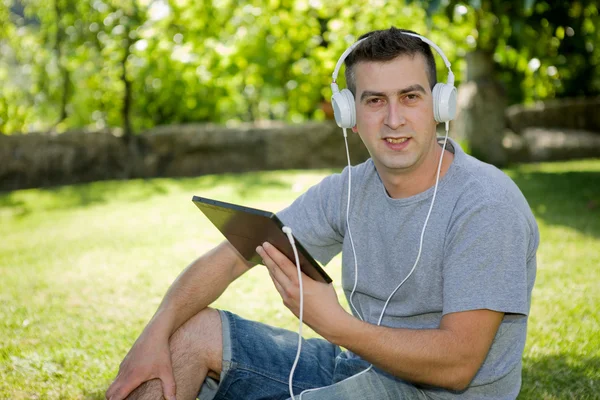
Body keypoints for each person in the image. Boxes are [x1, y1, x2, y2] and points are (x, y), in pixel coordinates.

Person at [106, 27, 538, 400]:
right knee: (187, 333)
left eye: (410, 97)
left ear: (440, 105)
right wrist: (155, 332)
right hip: (364, 365)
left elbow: (459, 363)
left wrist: (335, 325)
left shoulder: (485, 204)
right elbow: (238, 251)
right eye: (374, 101)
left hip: (441, 393)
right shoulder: (349, 189)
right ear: (349, 115)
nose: (393, 119)